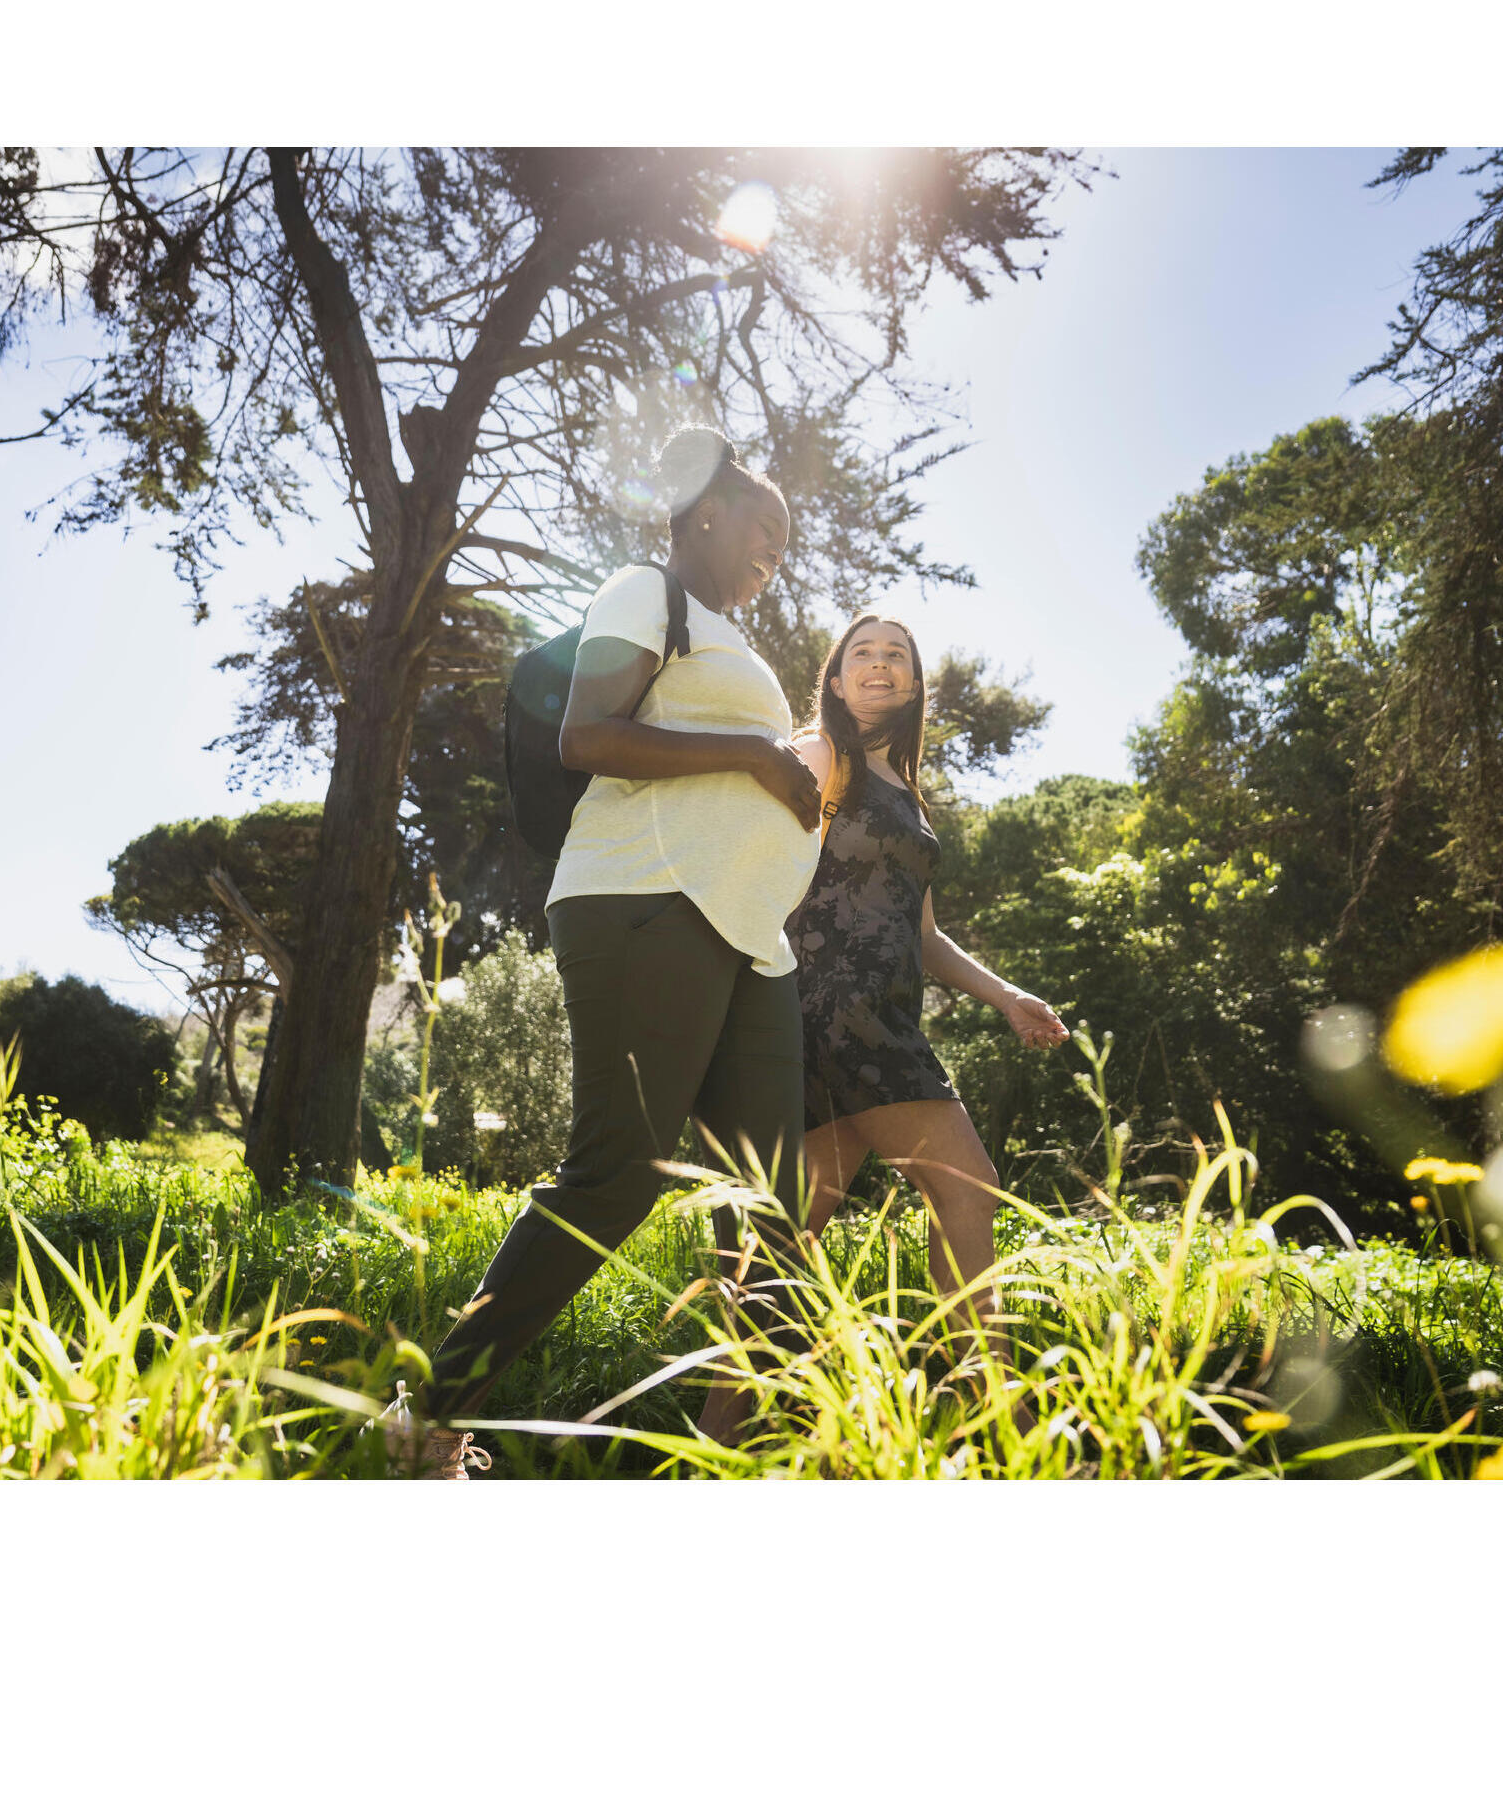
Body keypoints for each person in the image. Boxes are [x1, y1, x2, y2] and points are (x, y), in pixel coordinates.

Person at [383, 425, 825, 1477]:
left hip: (745, 935)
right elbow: (586, 734)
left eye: (786, 536)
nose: (777, 547)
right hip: (638, 900)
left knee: (769, 1200)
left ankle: (767, 1452)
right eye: (765, 524)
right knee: (618, 1171)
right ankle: (425, 1418)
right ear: (707, 514)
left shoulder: (729, 634)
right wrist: (757, 753)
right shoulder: (643, 589)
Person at [695, 612, 1068, 1445]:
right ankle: (997, 1429)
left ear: (912, 684)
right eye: (862, 651)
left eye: (896, 654)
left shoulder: (905, 792)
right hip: (832, 1010)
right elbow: (741, 855)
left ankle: (709, 1452)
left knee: (780, 1250)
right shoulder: (820, 756)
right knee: (968, 1190)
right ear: (834, 678)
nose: (879, 663)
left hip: (881, 1013)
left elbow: (924, 936)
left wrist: (1008, 998)